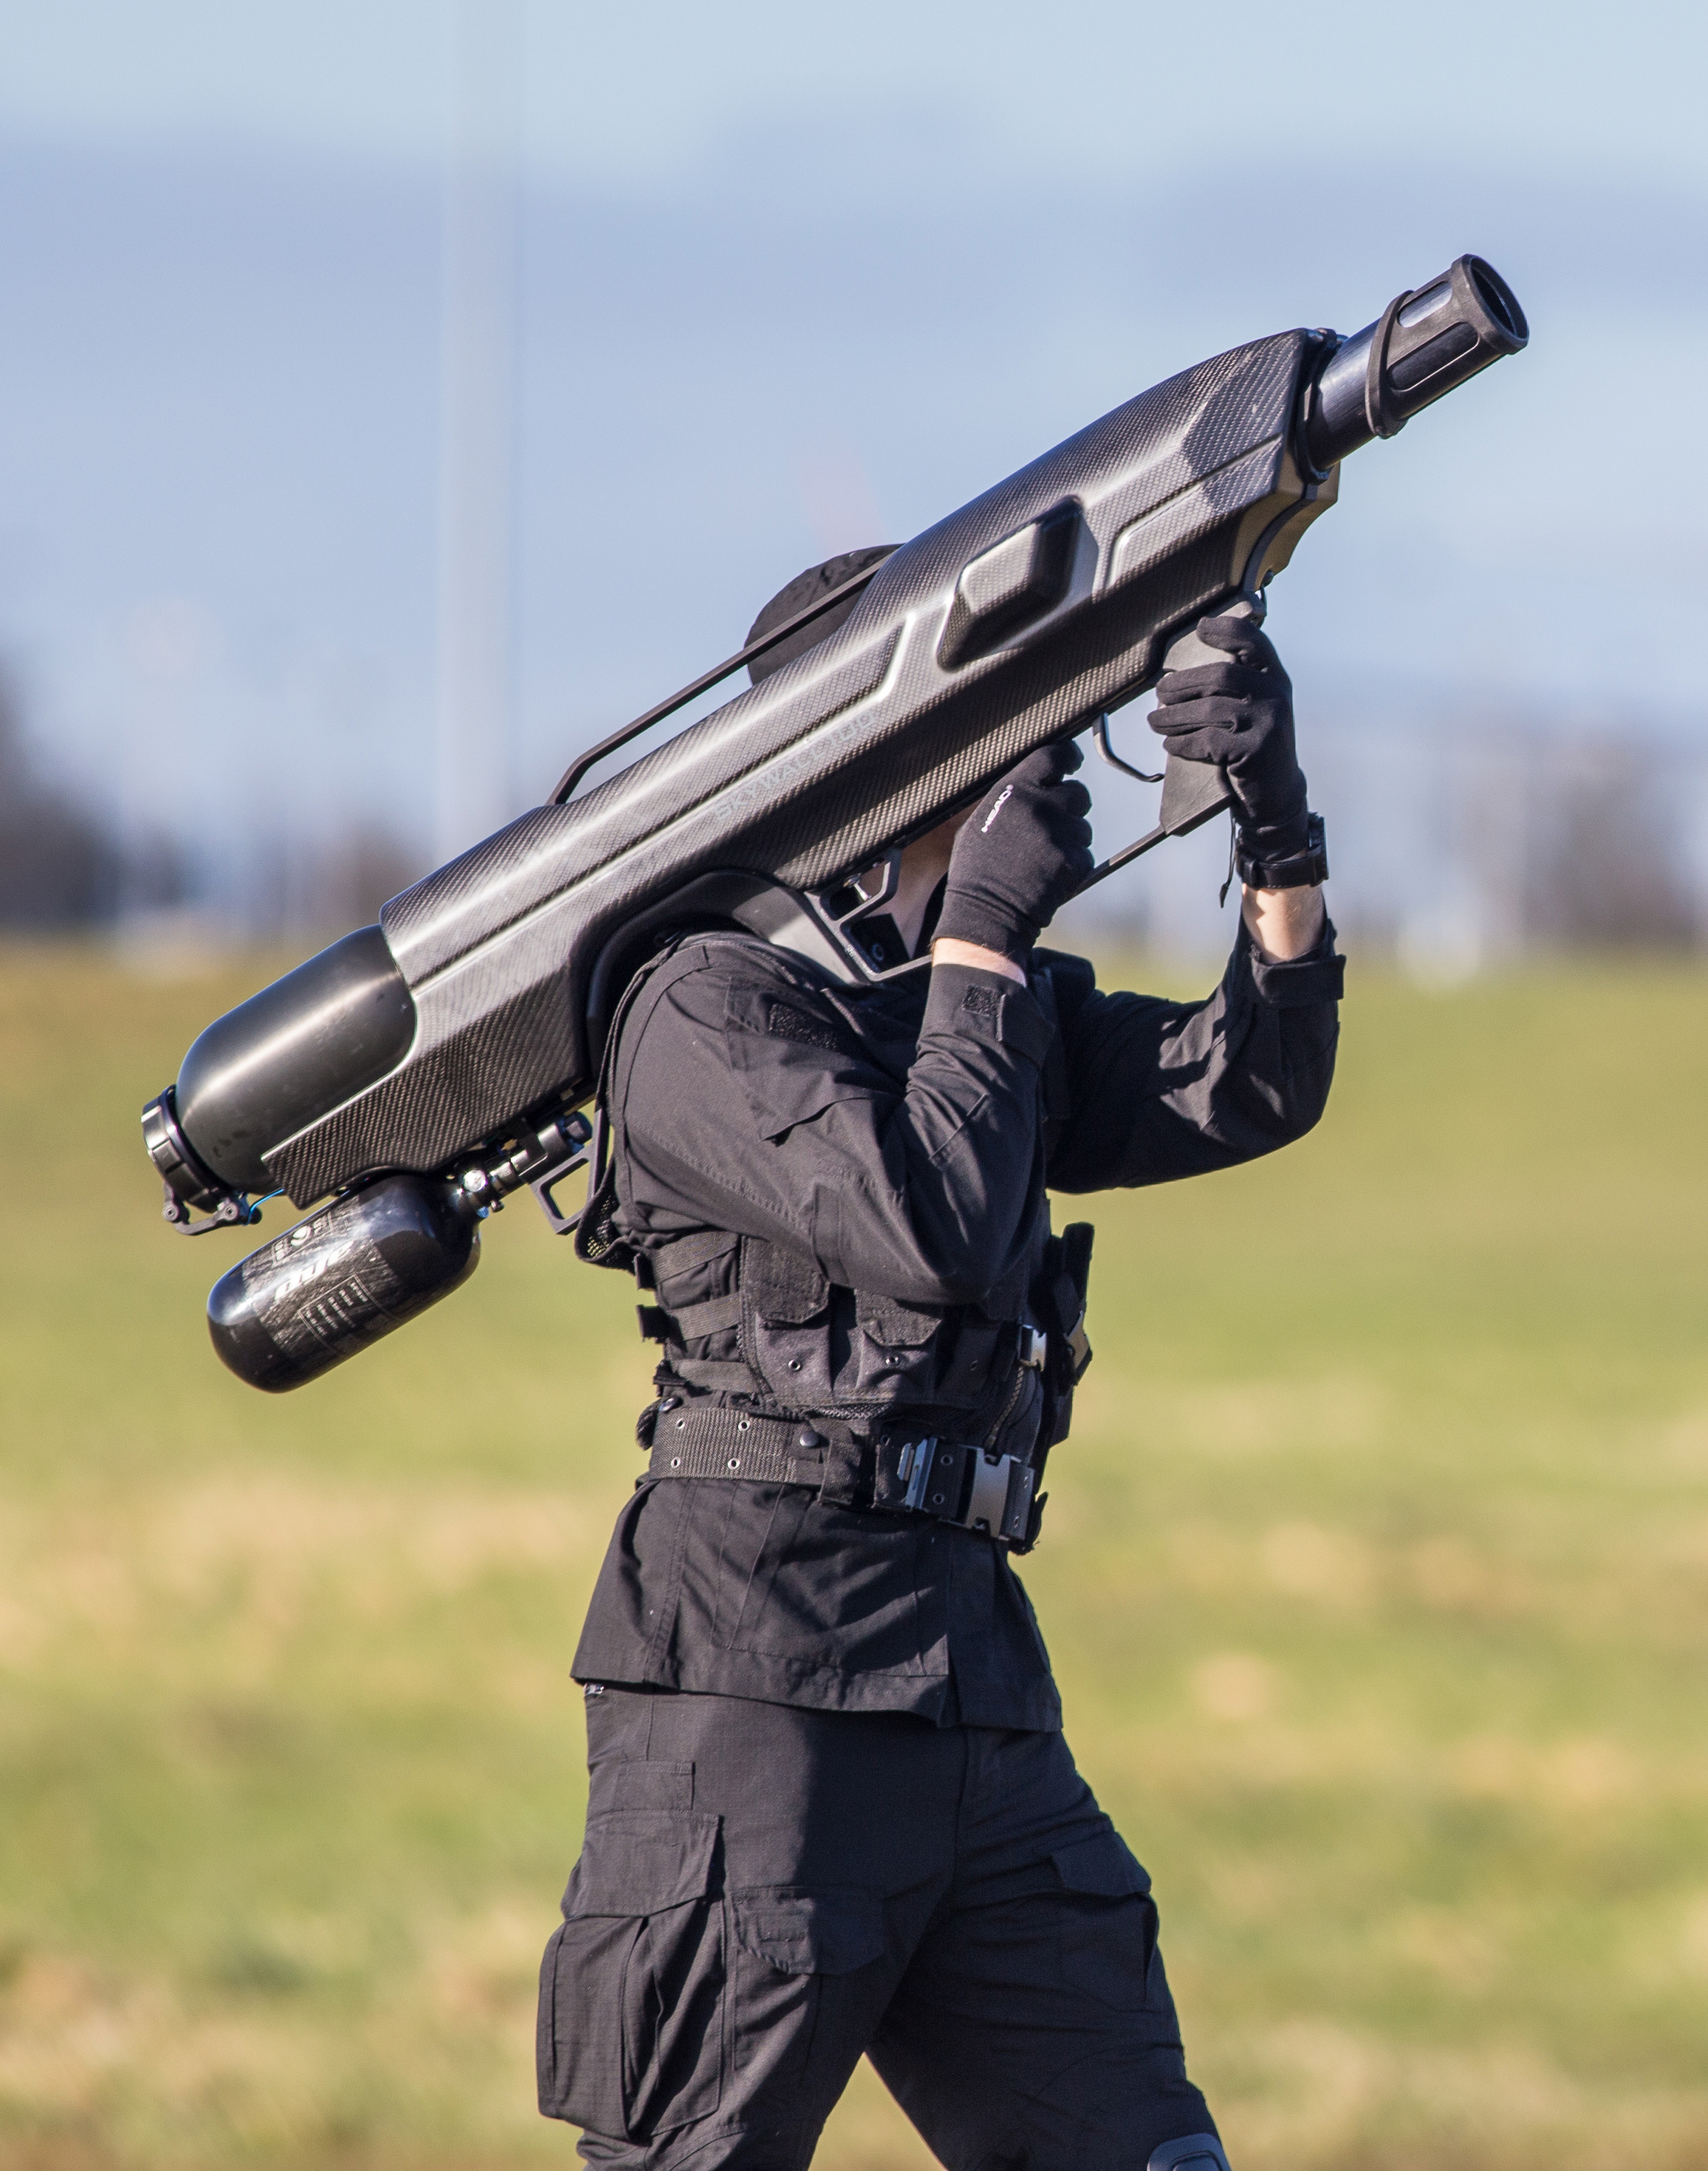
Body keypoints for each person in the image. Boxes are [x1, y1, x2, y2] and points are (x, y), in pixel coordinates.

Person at [534, 550, 1341, 2171]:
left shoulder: (974, 1000)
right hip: (760, 1700)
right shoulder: (700, 1008)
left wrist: (1276, 829)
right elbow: (931, 1226)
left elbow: (1246, 1088)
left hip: (970, 1690)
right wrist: (981, 937)